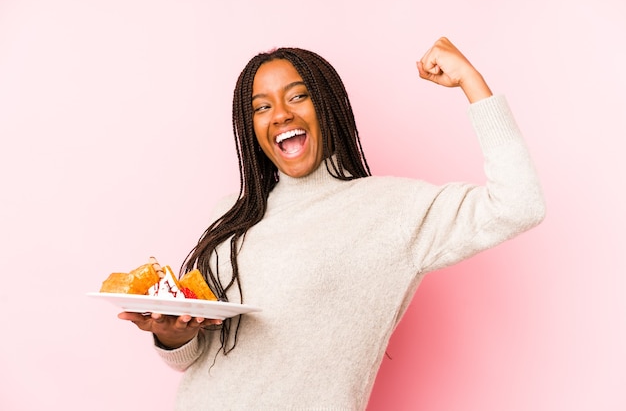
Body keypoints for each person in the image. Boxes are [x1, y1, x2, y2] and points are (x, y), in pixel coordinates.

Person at [119, 37, 545, 410]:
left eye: (297, 96)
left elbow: (518, 204)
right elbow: (192, 357)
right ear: (251, 129)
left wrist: (472, 81)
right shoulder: (231, 215)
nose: (280, 114)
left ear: (328, 105)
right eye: (261, 107)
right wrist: (169, 333)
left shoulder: (392, 209)